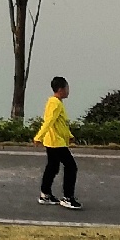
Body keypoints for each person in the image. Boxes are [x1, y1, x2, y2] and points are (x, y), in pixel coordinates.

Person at [36, 76, 79, 209]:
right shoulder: (55, 103)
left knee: (53, 167)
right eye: (66, 88)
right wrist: (39, 136)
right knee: (71, 167)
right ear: (60, 89)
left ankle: (45, 194)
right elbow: (49, 121)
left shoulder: (55, 102)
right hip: (56, 142)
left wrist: (70, 136)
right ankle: (67, 197)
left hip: (54, 140)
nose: (68, 91)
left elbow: (60, 125)